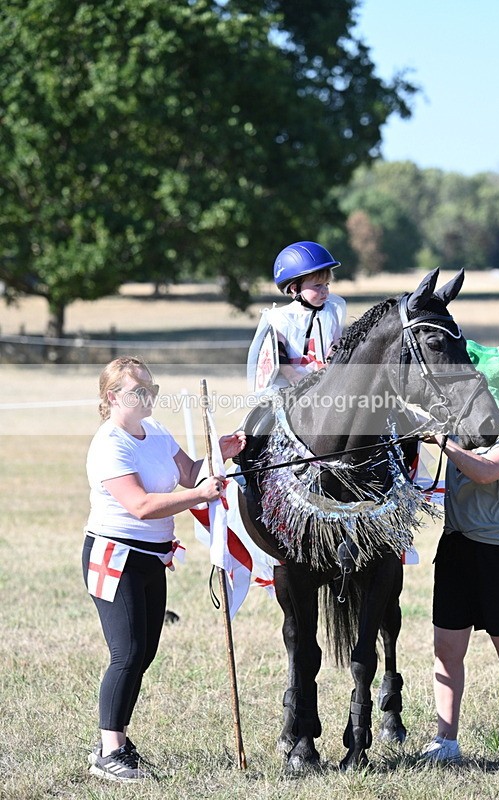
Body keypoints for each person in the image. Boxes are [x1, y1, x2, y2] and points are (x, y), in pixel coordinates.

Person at [82, 356, 246, 782]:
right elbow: (139, 506)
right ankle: (109, 751)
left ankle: (112, 741)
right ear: (113, 397)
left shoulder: (154, 430)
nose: (150, 396)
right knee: (128, 652)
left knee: (145, 651)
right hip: (115, 555)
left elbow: (190, 473)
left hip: (152, 556)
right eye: (140, 390)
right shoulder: (109, 444)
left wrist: (219, 455)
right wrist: (200, 496)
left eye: (152, 388)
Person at [421, 340, 499, 771]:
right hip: (457, 550)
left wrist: (446, 445)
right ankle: (445, 740)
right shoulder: (457, 426)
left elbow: (486, 473)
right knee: (446, 650)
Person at [247, 240, 346, 391]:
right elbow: (277, 353)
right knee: (272, 410)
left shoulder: (331, 311)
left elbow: (337, 342)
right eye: (317, 285)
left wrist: (327, 365)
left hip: (326, 379)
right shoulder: (280, 318)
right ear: (295, 288)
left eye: (327, 284)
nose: (325, 290)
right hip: (289, 383)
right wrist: (292, 376)